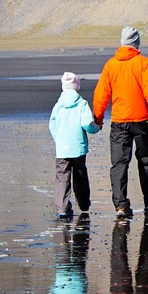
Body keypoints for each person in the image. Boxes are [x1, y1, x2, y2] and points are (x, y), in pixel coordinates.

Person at [92, 25, 148, 220]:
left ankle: (121, 205)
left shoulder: (111, 65)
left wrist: (98, 119)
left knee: (119, 164)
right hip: (141, 120)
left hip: (120, 122)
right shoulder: (143, 63)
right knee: (146, 161)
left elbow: (101, 95)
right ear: (136, 43)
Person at [48, 71, 99, 218]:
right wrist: (96, 128)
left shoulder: (58, 105)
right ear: (77, 86)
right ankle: (83, 203)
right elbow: (87, 123)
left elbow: (52, 125)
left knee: (62, 177)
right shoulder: (81, 103)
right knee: (80, 175)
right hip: (78, 147)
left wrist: (59, 140)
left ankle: (62, 208)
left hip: (62, 149)